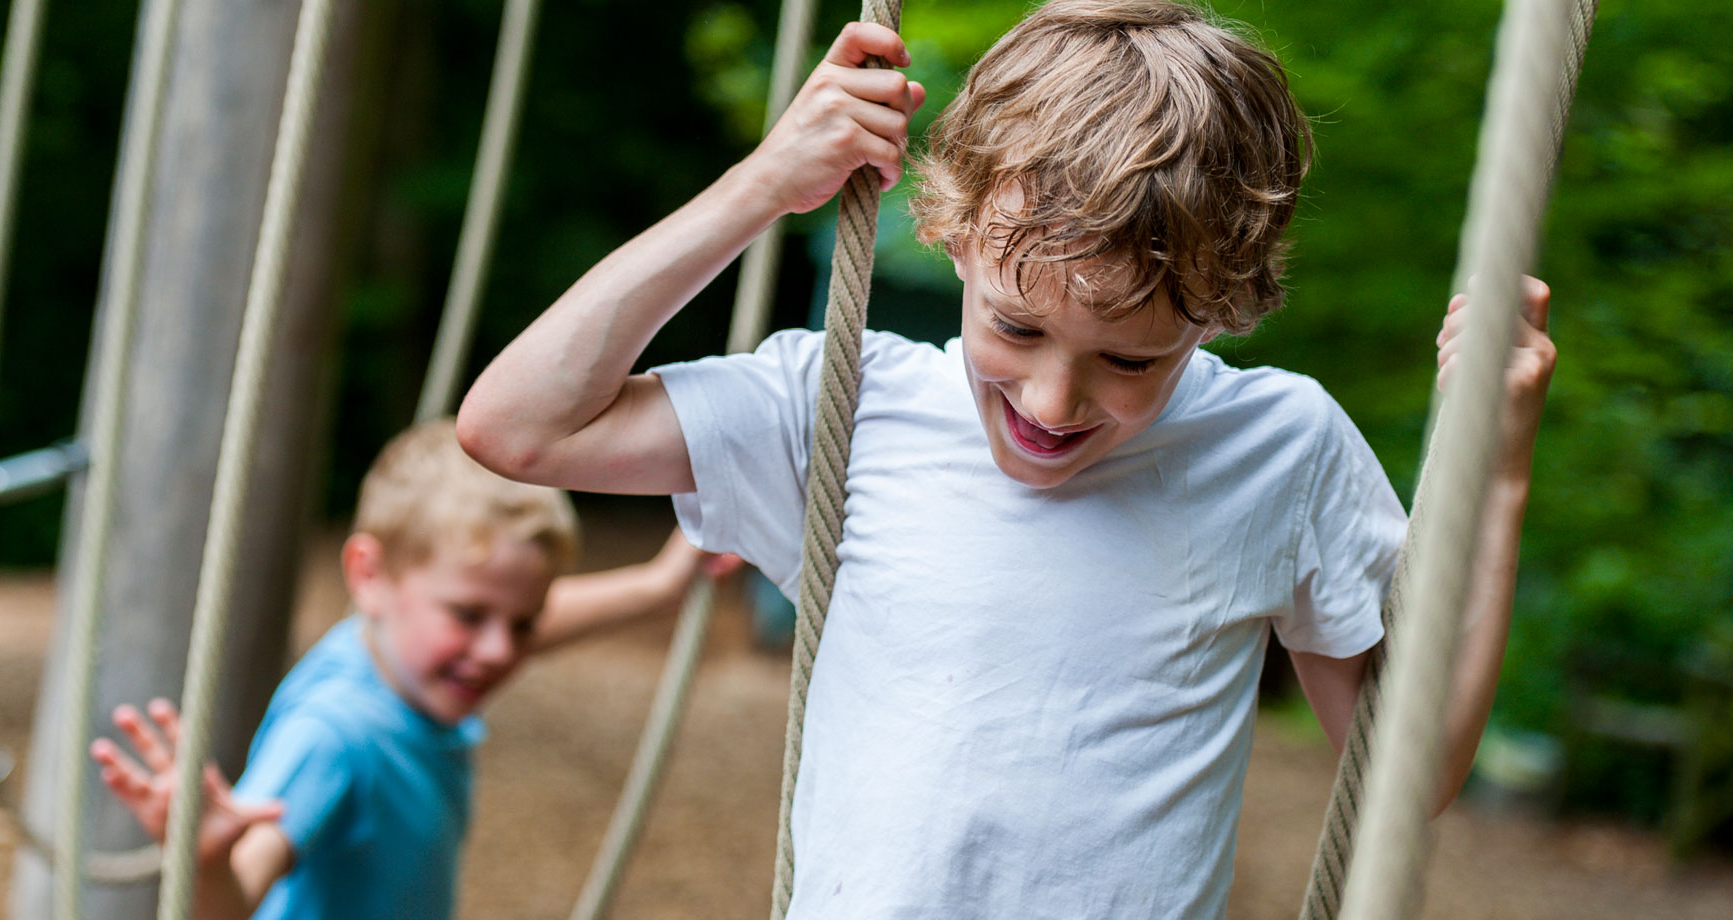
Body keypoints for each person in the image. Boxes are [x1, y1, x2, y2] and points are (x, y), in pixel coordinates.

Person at [456, 1, 1557, 917]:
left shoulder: (1280, 449)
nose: (1052, 400)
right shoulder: (847, 406)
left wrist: (1497, 472)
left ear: (1221, 308)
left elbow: (1416, 766)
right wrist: (763, 186)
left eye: (1130, 358)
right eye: (1017, 329)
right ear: (954, 236)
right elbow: (521, 425)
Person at [90, 419, 734, 919]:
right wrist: (207, 863)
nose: (498, 652)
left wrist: (658, 586)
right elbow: (241, 894)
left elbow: (520, 618)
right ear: (369, 576)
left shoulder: (403, 648)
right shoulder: (336, 735)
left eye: (521, 623)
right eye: (468, 615)